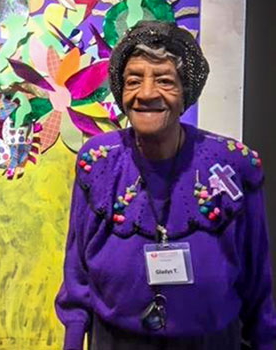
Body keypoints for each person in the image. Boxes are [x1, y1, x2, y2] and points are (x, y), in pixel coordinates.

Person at [55, 20, 276, 349]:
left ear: (186, 91)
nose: (146, 93)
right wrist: (73, 340)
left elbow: (258, 281)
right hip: (116, 341)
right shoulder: (98, 161)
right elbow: (77, 274)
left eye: (164, 80)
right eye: (134, 80)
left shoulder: (233, 164)